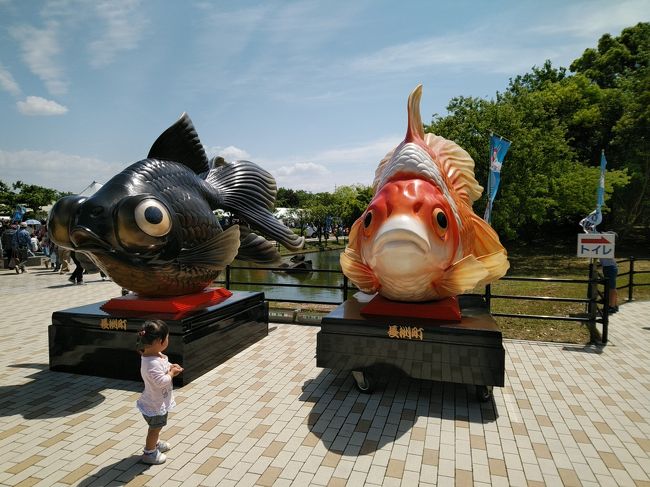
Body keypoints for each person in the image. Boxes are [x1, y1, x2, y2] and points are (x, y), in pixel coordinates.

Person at [136, 320, 183, 465]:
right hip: (154, 405)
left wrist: (171, 366)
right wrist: (172, 374)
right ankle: (149, 452)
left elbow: (164, 364)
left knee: (158, 427)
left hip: (157, 401)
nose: (168, 340)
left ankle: (154, 444)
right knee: (154, 429)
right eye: (167, 337)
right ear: (158, 341)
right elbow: (161, 381)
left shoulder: (156, 355)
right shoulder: (151, 364)